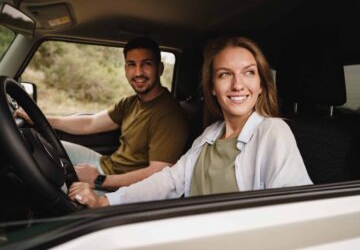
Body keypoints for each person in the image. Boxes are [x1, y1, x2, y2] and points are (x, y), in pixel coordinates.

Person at [68, 36, 312, 207]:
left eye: (249, 72)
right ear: (213, 88)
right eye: (225, 74)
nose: (238, 85)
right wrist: (106, 201)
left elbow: (292, 211)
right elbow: (169, 181)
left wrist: (101, 184)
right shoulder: (209, 136)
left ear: (260, 85)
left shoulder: (273, 132)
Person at [16, 37, 189, 191]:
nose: (138, 73)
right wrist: (40, 118)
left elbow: (158, 173)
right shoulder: (130, 102)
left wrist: (99, 180)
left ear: (159, 69)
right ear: (125, 69)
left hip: (120, 186)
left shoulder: (169, 115)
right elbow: (90, 123)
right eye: (132, 65)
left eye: (146, 64)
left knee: (47, 184)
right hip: (104, 164)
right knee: (40, 147)